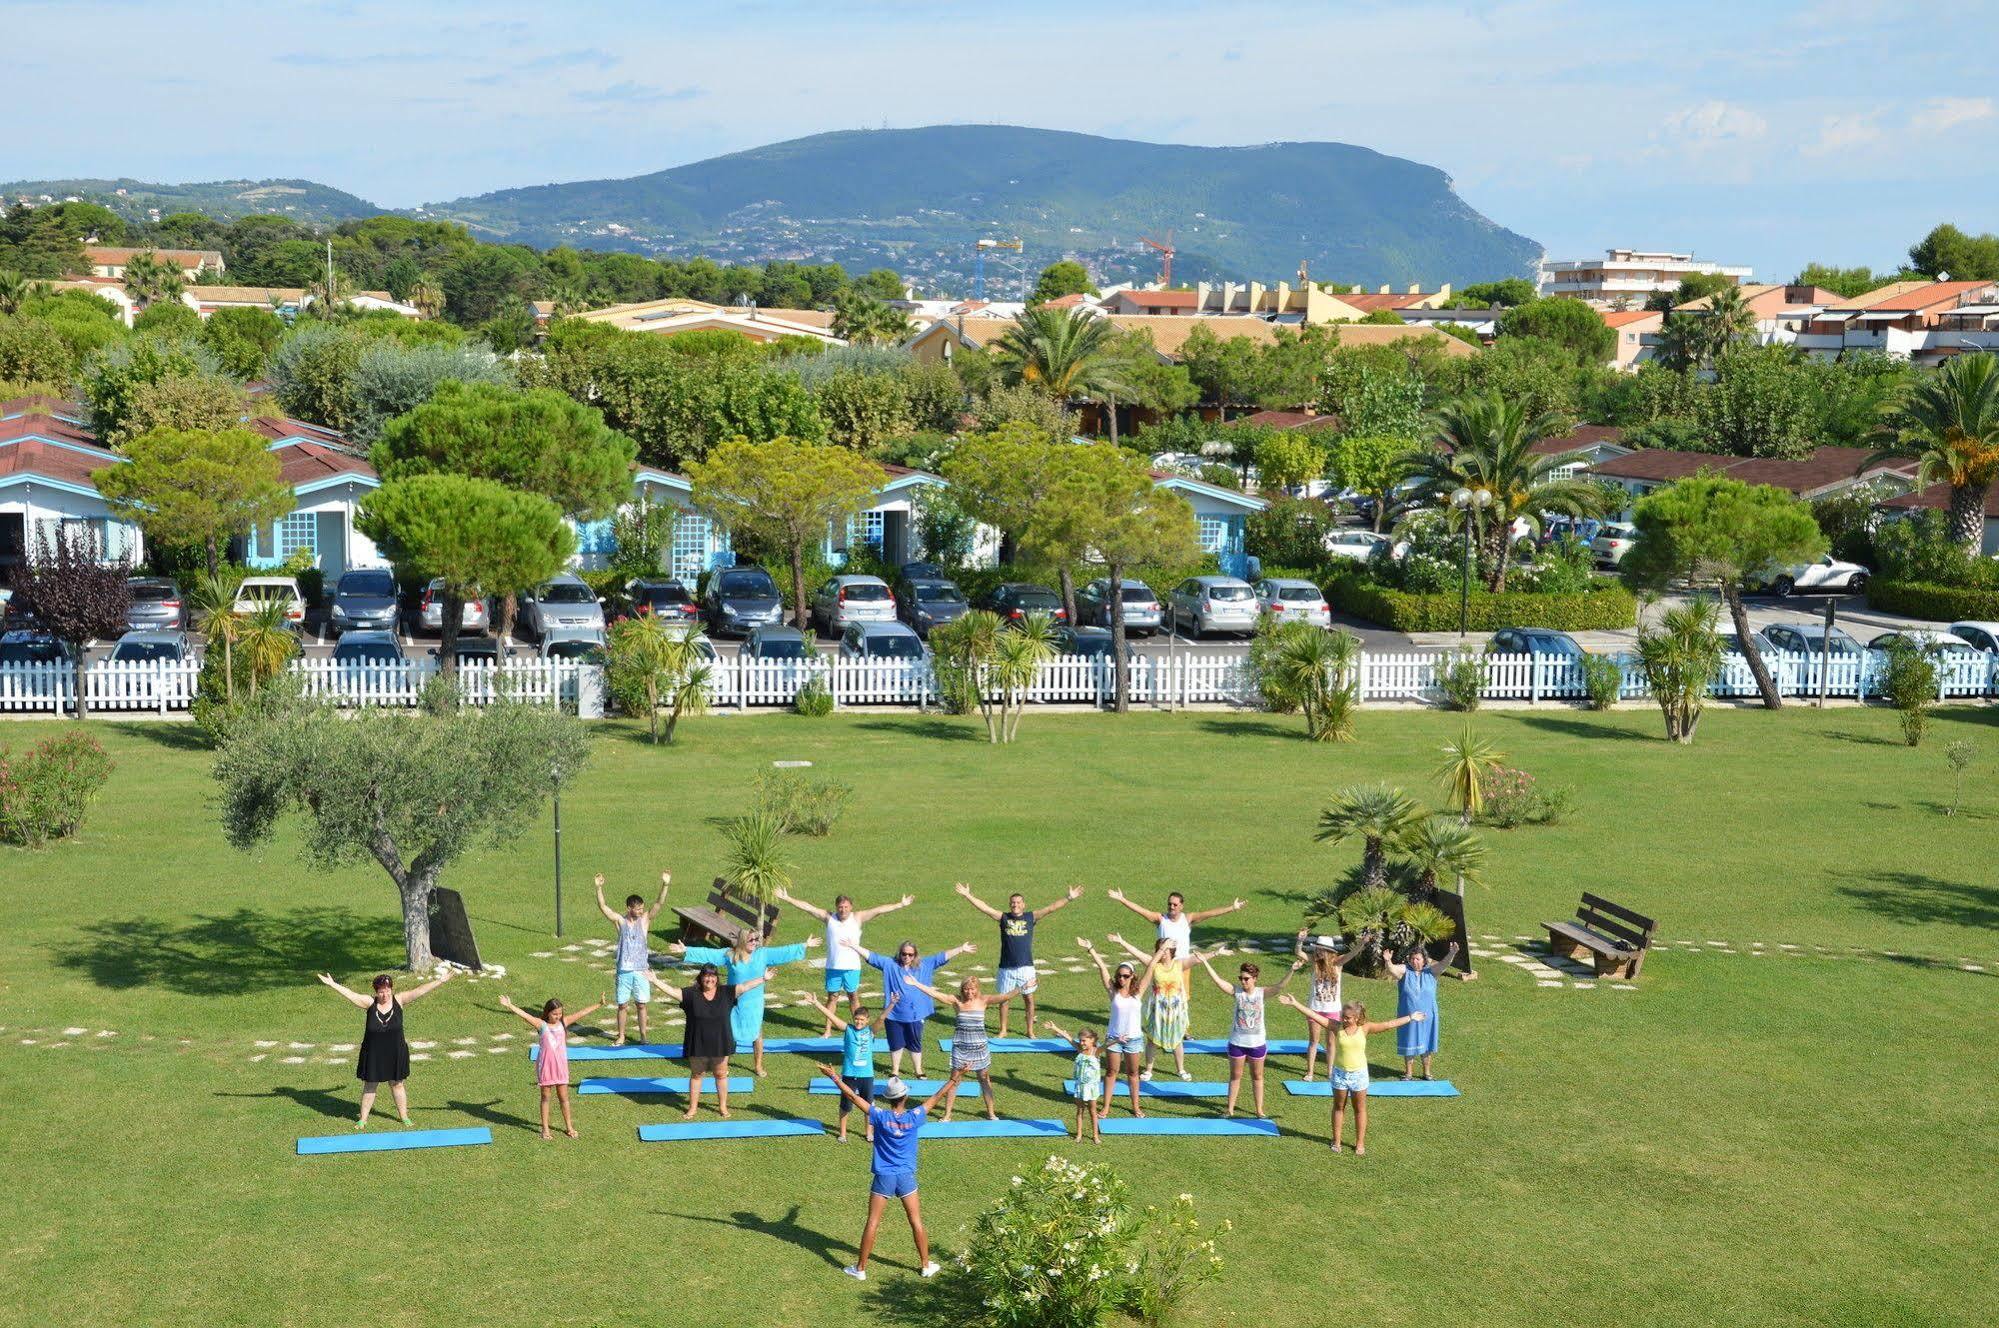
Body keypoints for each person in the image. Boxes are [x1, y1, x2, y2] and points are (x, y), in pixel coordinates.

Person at [812, 1069, 953, 1282]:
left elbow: (852, 1096)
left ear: (888, 1099)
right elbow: (936, 1097)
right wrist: (955, 1077)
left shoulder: (879, 1116)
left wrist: (833, 1076)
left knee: (872, 1222)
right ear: (905, 1097)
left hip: (883, 1177)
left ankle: (860, 1269)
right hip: (906, 1177)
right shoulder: (914, 1117)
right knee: (916, 1221)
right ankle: (925, 1265)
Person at [1278, 996, 1424, 1154]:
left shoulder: (1365, 1028)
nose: (1344, 1020)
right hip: (1340, 1074)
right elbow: (1315, 1016)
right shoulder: (1336, 1026)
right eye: (1343, 1017)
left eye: (1348, 1018)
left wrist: (1410, 1017)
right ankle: (1336, 1141)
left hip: (1359, 1075)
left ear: (1357, 1017)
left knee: (1359, 1109)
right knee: (1338, 1107)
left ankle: (1360, 1143)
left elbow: (1388, 1025)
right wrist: (1295, 1003)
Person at [669, 927, 821, 1077]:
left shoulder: (763, 954)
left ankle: (758, 1065)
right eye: (751, 940)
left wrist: (804, 945)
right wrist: (686, 950)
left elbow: (783, 952)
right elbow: (710, 954)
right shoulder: (730, 955)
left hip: (754, 1001)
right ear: (742, 941)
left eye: (757, 939)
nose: (755, 942)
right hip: (732, 1000)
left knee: (757, 1033)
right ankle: (723, 1065)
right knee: (728, 1032)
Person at [316, 969, 455, 1129]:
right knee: (370, 1085)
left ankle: (404, 1117)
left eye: (388, 991)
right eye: (382, 992)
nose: (385, 995)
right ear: (376, 992)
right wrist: (333, 984)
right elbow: (351, 994)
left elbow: (420, 990)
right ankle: (363, 1119)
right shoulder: (369, 1003)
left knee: (397, 1084)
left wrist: (440, 981)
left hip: (395, 1052)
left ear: (391, 990)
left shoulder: (399, 1000)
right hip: (373, 1053)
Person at [953, 881, 1082, 1037]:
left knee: (1029, 998)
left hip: (1026, 967)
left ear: (1023, 904)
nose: (1015, 905)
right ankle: (1003, 1030)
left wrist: (1069, 897)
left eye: (1018, 902)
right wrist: (968, 895)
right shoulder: (1003, 918)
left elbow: (1051, 908)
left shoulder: (1030, 917)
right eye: (1013, 903)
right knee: (1003, 1000)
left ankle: (1030, 1030)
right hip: (1006, 967)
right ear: (1010, 905)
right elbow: (985, 908)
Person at [778, 887, 914, 1034]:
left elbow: (879, 910)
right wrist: (787, 898)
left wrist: (901, 905)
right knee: (832, 998)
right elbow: (808, 908)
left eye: (846, 907)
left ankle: (859, 1028)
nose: (843, 910)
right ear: (836, 907)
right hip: (833, 967)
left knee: (853, 997)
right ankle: (828, 1030)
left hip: (852, 967)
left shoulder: (858, 917)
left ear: (851, 907)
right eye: (840, 907)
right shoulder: (829, 918)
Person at [648, 964, 770, 1119]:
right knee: (697, 1075)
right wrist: (655, 981)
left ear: (717, 978)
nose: (709, 979)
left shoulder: (726, 992)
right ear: (701, 977)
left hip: (721, 1042)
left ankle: (723, 1107)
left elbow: (746, 986)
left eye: (713, 976)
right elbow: (673, 992)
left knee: (720, 1075)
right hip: (697, 1043)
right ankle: (692, 1108)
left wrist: (763, 978)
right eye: (706, 976)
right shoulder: (691, 994)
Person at [1105, 932, 1228, 1082]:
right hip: (1158, 1009)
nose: (1161, 952)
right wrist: (1122, 941)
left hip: (1176, 1009)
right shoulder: (1154, 964)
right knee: (1152, 1040)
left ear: (1171, 951)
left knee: (1177, 1040)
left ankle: (1180, 1069)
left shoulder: (1179, 964)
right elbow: (1137, 953)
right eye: (1159, 949)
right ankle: (1149, 1070)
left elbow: (1197, 959)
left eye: (1164, 949)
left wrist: (1216, 952)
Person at [1194, 951, 1302, 1119]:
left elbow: (1280, 986)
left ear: (1254, 979)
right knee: (1235, 1076)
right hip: (1237, 1043)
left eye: (1246, 979)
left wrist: (1292, 970)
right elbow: (1218, 981)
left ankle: (1259, 1110)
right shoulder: (1236, 992)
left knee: (1257, 1077)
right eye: (1241, 978)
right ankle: (1229, 1109)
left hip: (1257, 1044)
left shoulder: (1261, 993)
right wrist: (1205, 962)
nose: (1243, 982)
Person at [909, 976, 1023, 1122]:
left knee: (984, 1079)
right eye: (966, 989)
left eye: (972, 989)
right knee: (954, 1080)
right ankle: (947, 1115)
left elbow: (1005, 996)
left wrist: (1023, 987)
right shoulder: (957, 1001)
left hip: (980, 1048)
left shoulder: (984, 1000)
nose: (969, 992)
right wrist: (916, 983)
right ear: (962, 989)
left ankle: (991, 1113)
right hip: (961, 1048)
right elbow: (936, 994)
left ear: (977, 989)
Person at [862, 938, 977, 1079]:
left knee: (914, 1042)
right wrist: (853, 945)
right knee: (895, 1042)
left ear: (915, 955)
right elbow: (872, 957)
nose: (906, 957)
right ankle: (895, 1070)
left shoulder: (924, 965)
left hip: (916, 1014)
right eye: (904, 954)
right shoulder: (890, 964)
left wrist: (961, 949)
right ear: (900, 953)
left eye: (910, 955)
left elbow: (942, 957)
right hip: (893, 1013)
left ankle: (918, 1070)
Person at [498, 992, 608, 1140]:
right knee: (545, 1097)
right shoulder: (541, 1025)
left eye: (560, 1013)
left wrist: (599, 1004)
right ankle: (545, 1129)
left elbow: (581, 1013)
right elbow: (525, 1015)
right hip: (546, 1066)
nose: (558, 1016)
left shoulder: (563, 1023)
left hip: (561, 1066)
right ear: (548, 1013)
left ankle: (569, 1127)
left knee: (564, 1098)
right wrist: (510, 1005)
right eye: (555, 1014)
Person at [1078, 936, 1155, 1117]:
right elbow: (1103, 969)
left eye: (1125, 976)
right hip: (1114, 1039)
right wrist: (1091, 949)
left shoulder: (1139, 991)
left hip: (1134, 1039)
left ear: (1132, 976)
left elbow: (1151, 967)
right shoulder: (1113, 992)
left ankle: (1136, 1107)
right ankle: (1106, 1107)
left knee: (1133, 1073)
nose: (1121, 978)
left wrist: (1161, 950)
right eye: (1119, 975)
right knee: (1111, 1072)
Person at [807, 991, 897, 1143]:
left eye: (862, 1019)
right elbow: (832, 1017)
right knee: (845, 1105)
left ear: (867, 1020)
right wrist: (816, 1003)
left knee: (868, 1106)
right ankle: (842, 1133)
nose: (858, 1022)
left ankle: (869, 1132)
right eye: (856, 1019)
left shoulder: (870, 1031)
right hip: (849, 1074)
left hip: (866, 1075)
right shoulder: (848, 1029)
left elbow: (882, 1018)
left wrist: (892, 1003)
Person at [595, 871, 671, 1046]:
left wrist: (665, 884)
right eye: (638, 908)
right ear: (629, 908)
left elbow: (659, 904)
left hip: (641, 970)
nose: (641, 911)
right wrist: (599, 888)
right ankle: (621, 1035)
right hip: (624, 970)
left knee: (641, 1004)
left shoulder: (644, 920)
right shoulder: (620, 921)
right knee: (622, 1005)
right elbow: (603, 907)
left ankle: (643, 1036)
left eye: (642, 908)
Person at [1384, 942, 1459, 1080]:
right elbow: (1392, 970)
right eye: (1412, 958)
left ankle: (1427, 1073)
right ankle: (1408, 1073)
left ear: (1424, 960)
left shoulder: (1431, 972)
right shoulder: (1404, 971)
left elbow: (1444, 964)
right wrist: (1388, 961)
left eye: (1417, 958)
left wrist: (1452, 952)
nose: (1414, 961)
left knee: (1428, 1044)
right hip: (1408, 1016)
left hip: (1428, 1016)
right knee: (1409, 1041)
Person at [1106, 888, 1245, 959]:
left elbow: (1210, 913)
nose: (1171, 907)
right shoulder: (1160, 919)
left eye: (1175, 904)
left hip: (1182, 965)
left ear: (1181, 906)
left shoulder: (1188, 919)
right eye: (1169, 904)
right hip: (1164, 964)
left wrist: (1232, 908)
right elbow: (1141, 911)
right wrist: (1122, 900)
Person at [1294, 929, 1356, 1082]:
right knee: (1313, 1041)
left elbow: (1352, 954)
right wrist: (1300, 940)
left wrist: (1362, 943)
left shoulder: (1338, 963)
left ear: (1328, 951)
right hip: (1315, 1009)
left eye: (1320, 949)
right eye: (1317, 949)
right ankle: (1310, 1072)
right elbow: (1298, 952)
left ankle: (1329, 1073)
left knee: (1330, 1042)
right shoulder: (1314, 962)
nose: (1317, 951)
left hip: (1333, 1010)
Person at [1038, 1022, 1104, 1143]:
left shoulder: (1096, 1052)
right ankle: (1079, 1134)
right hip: (1080, 1086)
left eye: (1084, 1040)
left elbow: (1106, 1046)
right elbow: (1068, 1037)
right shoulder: (1079, 1049)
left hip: (1091, 1087)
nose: (1082, 1043)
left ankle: (1095, 1136)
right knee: (1079, 1110)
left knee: (1092, 1111)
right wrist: (1054, 1027)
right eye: (1081, 1040)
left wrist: (1118, 1040)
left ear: (1092, 1040)